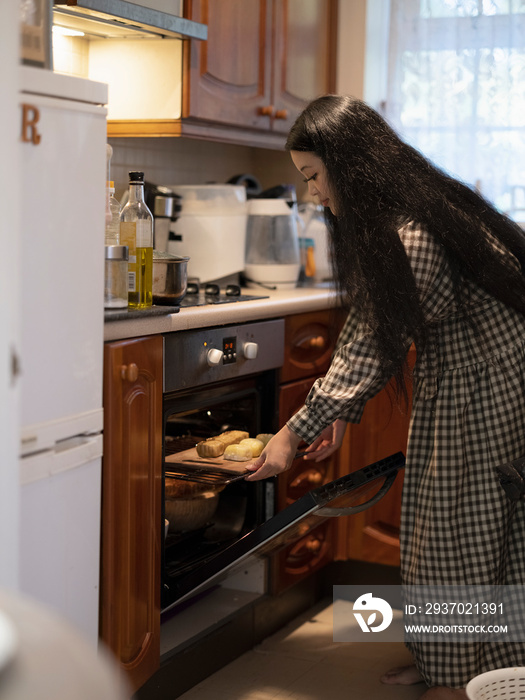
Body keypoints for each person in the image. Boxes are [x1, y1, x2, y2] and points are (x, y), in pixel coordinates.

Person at [245, 95, 525, 699]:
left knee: (456, 538)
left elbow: (370, 344)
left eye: (315, 176)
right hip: (479, 381)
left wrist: (294, 431)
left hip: (487, 389)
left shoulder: (411, 233)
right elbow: (374, 328)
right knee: (468, 535)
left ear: (351, 166)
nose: (315, 194)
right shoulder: (416, 210)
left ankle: (458, 680)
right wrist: (339, 413)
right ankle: (455, 668)